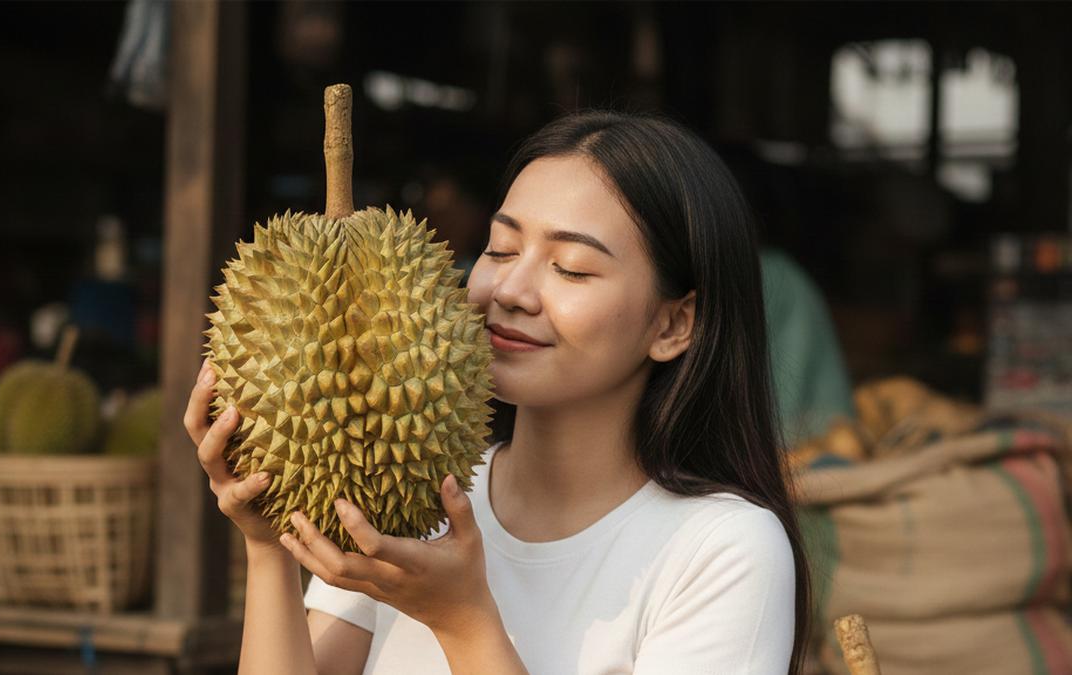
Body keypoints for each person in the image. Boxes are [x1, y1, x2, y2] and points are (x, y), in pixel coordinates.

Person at [184, 111, 812, 674]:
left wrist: (463, 621)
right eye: (501, 249)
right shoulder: (406, 491)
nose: (508, 291)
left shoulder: (722, 550)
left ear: (673, 324)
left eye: (570, 268)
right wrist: (267, 545)